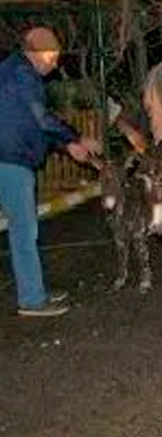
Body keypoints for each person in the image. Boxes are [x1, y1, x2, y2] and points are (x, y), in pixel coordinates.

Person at [0, 27, 100, 317]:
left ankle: (35, 290)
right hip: (10, 162)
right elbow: (42, 120)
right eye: (53, 57)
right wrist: (76, 138)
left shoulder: (12, 71)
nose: (55, 65)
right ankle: (32, 299)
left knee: (22, 229)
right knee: (24, 230)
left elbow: (29, 125)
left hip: (10, 157)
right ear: (37, 52)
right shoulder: (23, 75)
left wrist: (67, 145)